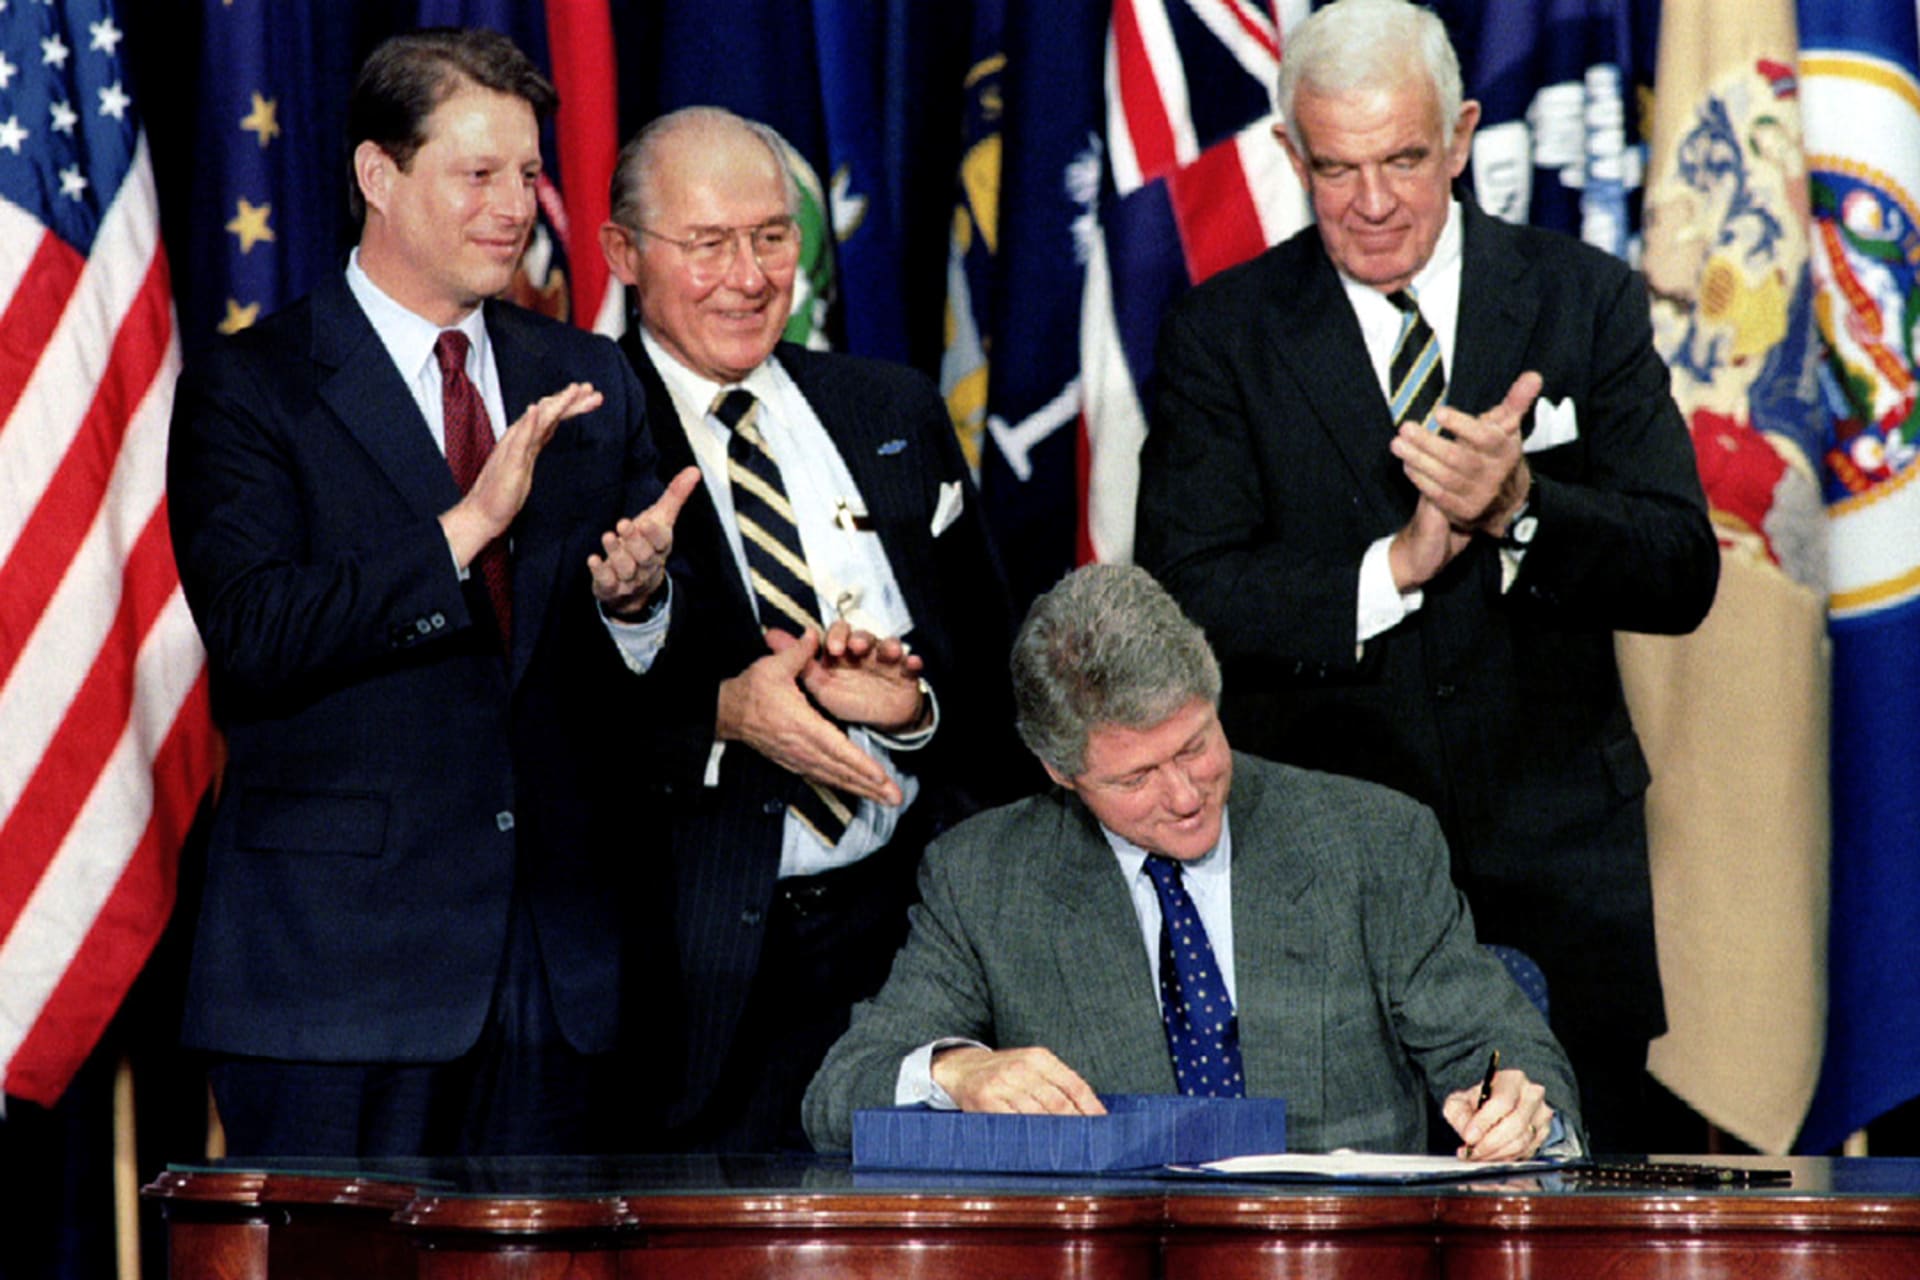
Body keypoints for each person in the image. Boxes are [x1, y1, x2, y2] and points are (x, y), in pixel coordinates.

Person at [1132, 0, 1718, 1152]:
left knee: (1572, 1215)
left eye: (1403, 159)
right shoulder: (1222, 334)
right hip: (1321, 895)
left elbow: (1679, 568)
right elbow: (1188, 597)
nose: (1373, 201)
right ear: (1290, 153)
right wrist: (1387, 570)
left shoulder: (1583, 297)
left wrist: (1522, 507)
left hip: (1561, 883)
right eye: (1336, 167)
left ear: (1460, 137)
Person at [166, 28, 700, 1157]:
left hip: (560, 981)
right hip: (337, 986)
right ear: (379, 174)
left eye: (527, 173)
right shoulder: (252, 388)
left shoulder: (587, 376)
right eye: (478, 173)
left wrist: (638, 603)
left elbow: (651, 664)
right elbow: (255, 633)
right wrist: (465, 529)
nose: (513, 208)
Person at [802, 564, 1581, 1158]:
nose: (1183, 796)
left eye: (1195, 746)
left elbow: (1499, 1046)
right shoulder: (983, 878)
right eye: (1135, 778)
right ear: (1060, 771)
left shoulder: (1373, 840)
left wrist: (1514, 1104)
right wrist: (956, 1071)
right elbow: (839, 1095)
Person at [598, 106, 1028, 1151]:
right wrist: (718, 715)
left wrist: (912, 709)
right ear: (622, 254)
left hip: (910, 954)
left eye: (772, 237)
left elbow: (993, 676)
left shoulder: (892, 407)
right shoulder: (581, 432)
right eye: (709, 244)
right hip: (687, 975)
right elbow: (539, 717)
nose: (749, 277)